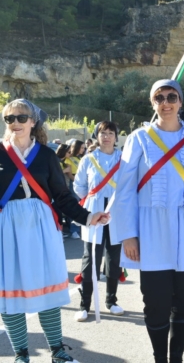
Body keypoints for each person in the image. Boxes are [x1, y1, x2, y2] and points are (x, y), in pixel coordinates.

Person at [0, 99, 109, 363]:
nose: (15, 123)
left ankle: (57, 351)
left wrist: (88, 217)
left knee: (46, 290)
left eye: (21, 118)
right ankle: (21, 354)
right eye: (9, 119)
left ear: (33, 121)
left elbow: (62, 196)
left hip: (41, 228)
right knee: (8, 291)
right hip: (7, 229)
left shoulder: (47, 155)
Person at [112, 79, 184, 363]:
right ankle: (160, 359)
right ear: (152, 102)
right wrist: (129, 234)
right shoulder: (138, 138)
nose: (165, 102)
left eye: (171, 96)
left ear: (181, 102)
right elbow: (125, 190)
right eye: (159, 97)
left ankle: (177, 358)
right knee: (155, 304)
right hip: (151, 233)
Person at [73, 121, 124, 322]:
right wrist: (92, 203)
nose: (107, 136)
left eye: (111, 133)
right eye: (103, 133)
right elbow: (79, 187)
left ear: (116, 137)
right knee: (91, 258)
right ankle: (84, 304)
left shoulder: (124, 159)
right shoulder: (88, 159)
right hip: (94, 212)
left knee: (114, 258)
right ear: (97, 136)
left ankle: (111, 301)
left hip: (116, 212)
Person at [65, 140, 86, 239]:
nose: (83, 149)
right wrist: (79, 181)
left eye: (83, 147)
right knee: (75, 206)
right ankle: (74, 230)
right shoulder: (69, 159)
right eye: (81, 147)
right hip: (74, 183)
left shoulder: (82, 158)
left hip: (83, 184)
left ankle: (82, 228)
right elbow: (69, 174)